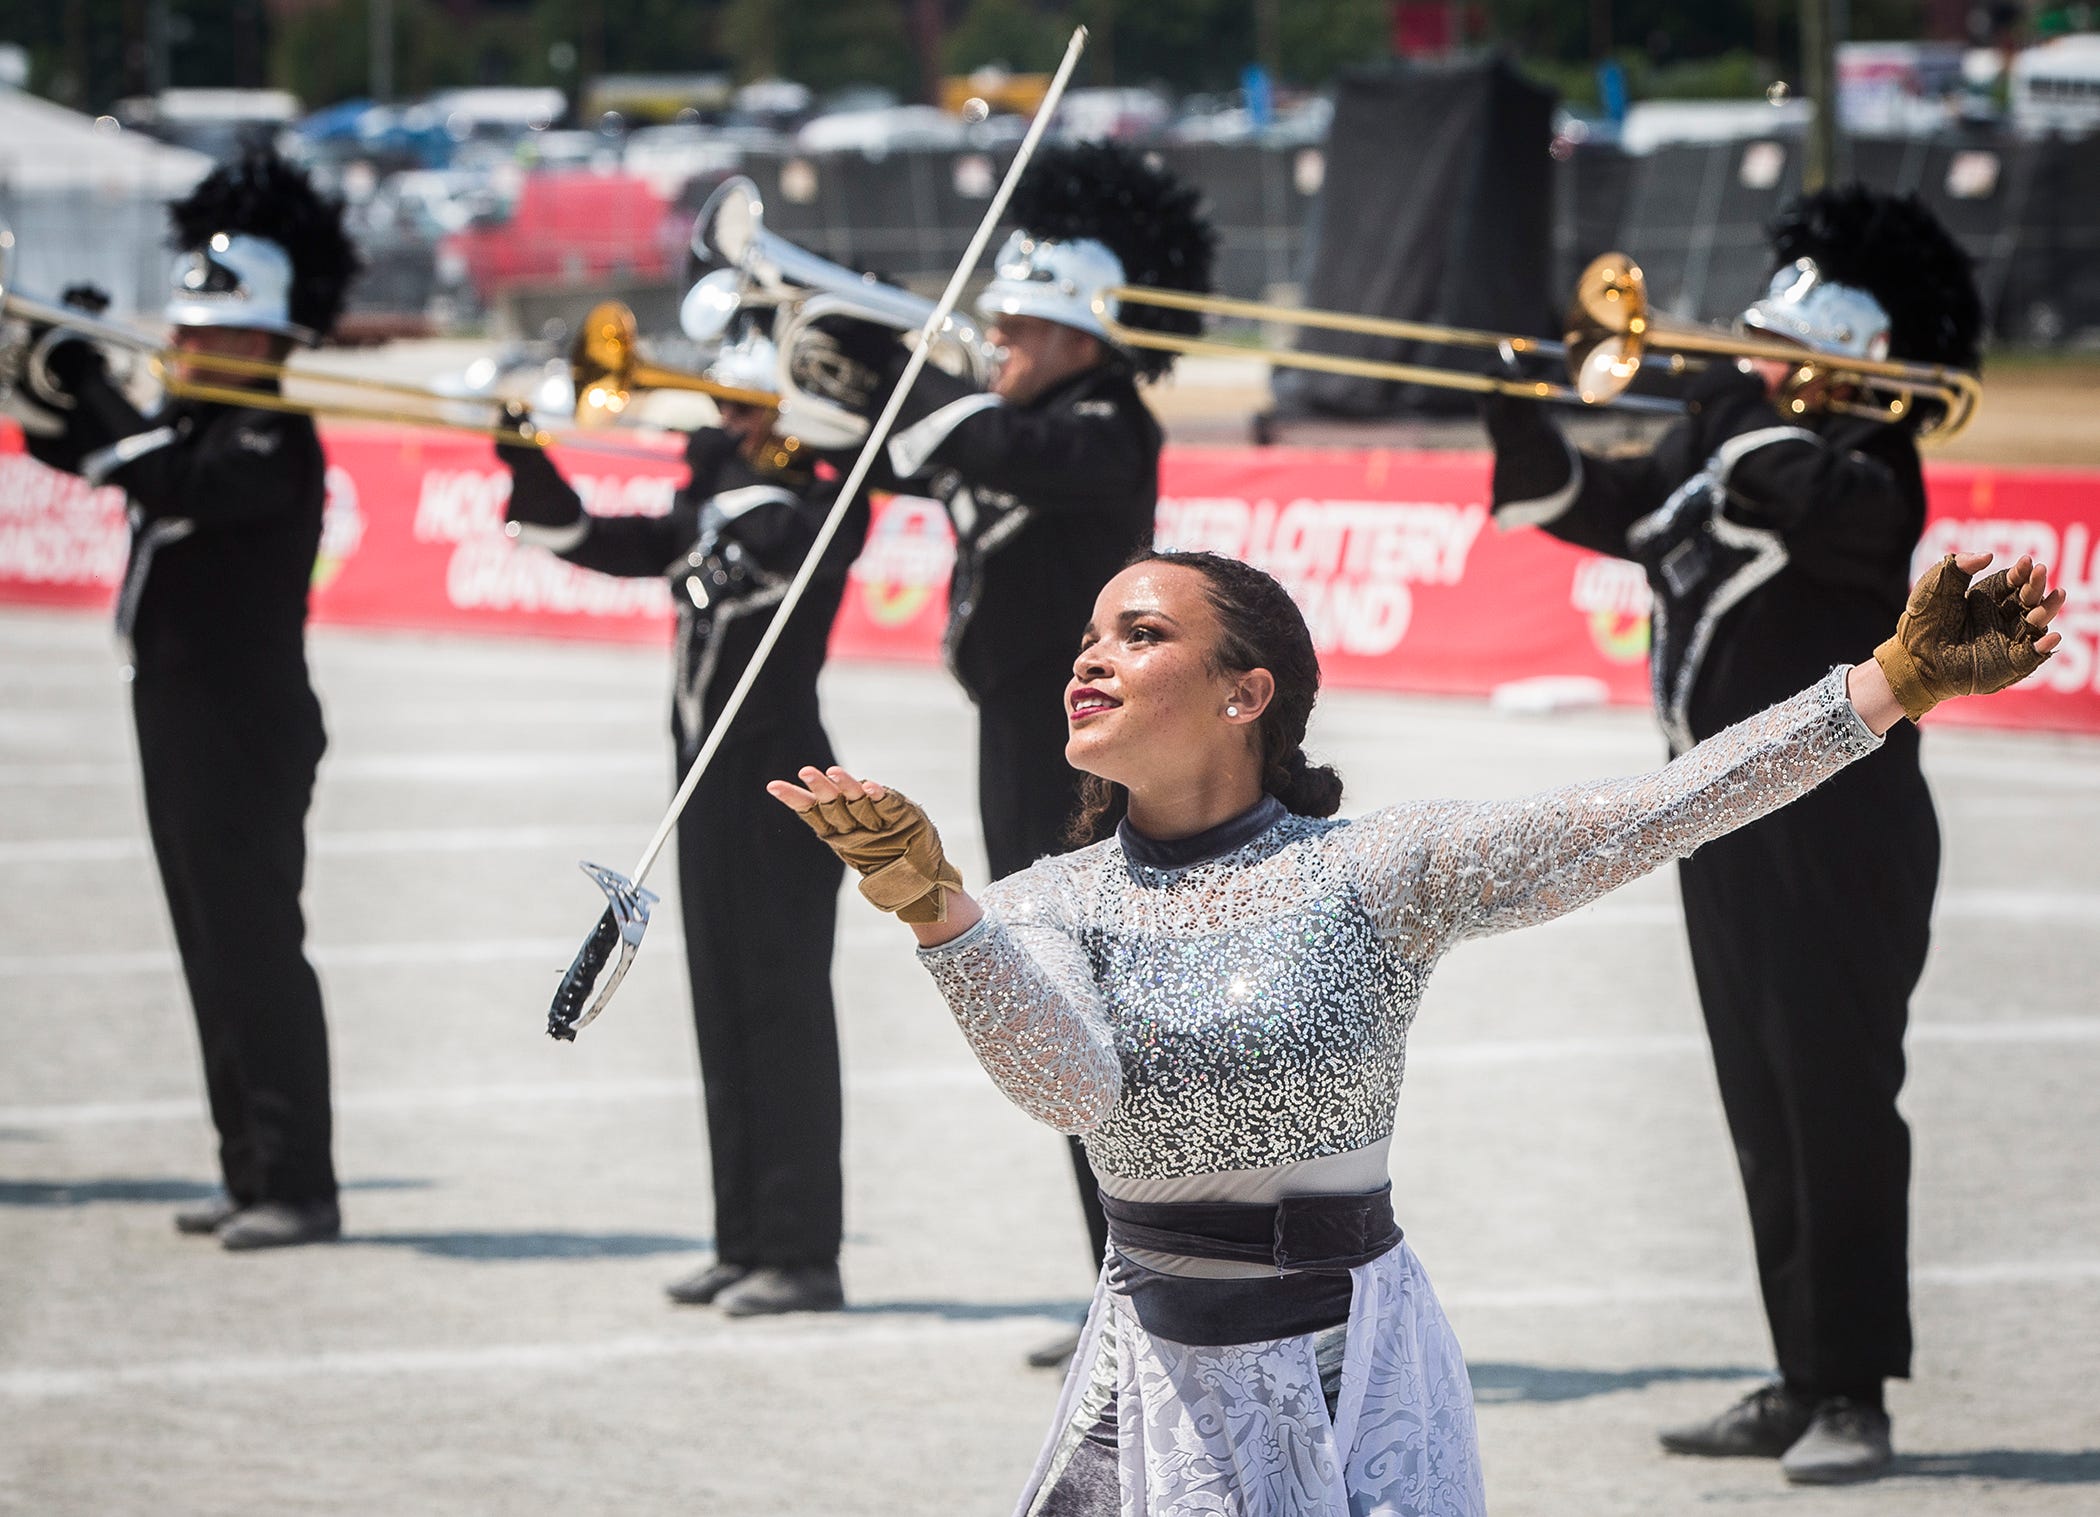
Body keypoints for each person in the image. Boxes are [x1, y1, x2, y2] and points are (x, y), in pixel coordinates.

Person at [768, 543, 2059, 1516]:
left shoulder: (1377, 871)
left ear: (1243, 694)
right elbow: (1070, 1090)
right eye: (1087, 638)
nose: (1087, 659)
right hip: (1164, 1386)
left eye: (1139, 633)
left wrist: (1888, 685)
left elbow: (1659, 811)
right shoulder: (1047, 901)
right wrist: (938, 912)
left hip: (1363, 1365)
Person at [1482, 186, 1984, 1482]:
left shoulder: (1867, 472)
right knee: (1760, 1106)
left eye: (1775, 348)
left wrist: (1737, 398)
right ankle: (1800, 1368)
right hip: (1724, 823)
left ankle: (1856, 1391)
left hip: (1842, 832)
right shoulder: (1738, 443)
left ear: (1846, 366)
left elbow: (1774, 485)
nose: (1743, 362)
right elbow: (1594, 509)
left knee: (1836, 1106)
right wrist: (1521, 408)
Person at [791, 142, 1217, 1359]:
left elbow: (986, 448)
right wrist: (855, 372)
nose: (1001, 346)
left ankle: (1157, 1286)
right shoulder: (1024, 414)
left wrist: (897, 362)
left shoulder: (1105, 428)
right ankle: (1120, 1288)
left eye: (1021, 327)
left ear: (1085, 332)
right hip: (1014, 736)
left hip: (1088, 755)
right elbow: (939, 452)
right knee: (1058, 1007)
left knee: (1103, 1015)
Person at [14, 149, 359, 1251]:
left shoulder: (271, 434)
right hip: (173, 709)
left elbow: (166, 478)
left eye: (217, 335)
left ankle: (299, 1181)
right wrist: (43, 368)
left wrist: (102, 390)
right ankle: (246, 1165)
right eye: (190, 331)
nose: (192, 347)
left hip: (244, 724)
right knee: (206, 947)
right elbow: (76, 444)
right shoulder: (195, 420)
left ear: (269, 341)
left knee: (256, 947)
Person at [498, 314, 868, 1316]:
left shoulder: (812, 508)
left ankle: (801, 1251)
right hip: (705, 797)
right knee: (720, 1013)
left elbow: (777, 532)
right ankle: (740, 1235)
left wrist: (726, 468)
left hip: (787, 798)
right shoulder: (721, 505)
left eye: (741, 410)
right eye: (717, 408)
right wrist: (526, 456)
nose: (720, 424)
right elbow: (593, 540)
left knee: (781, 1018)